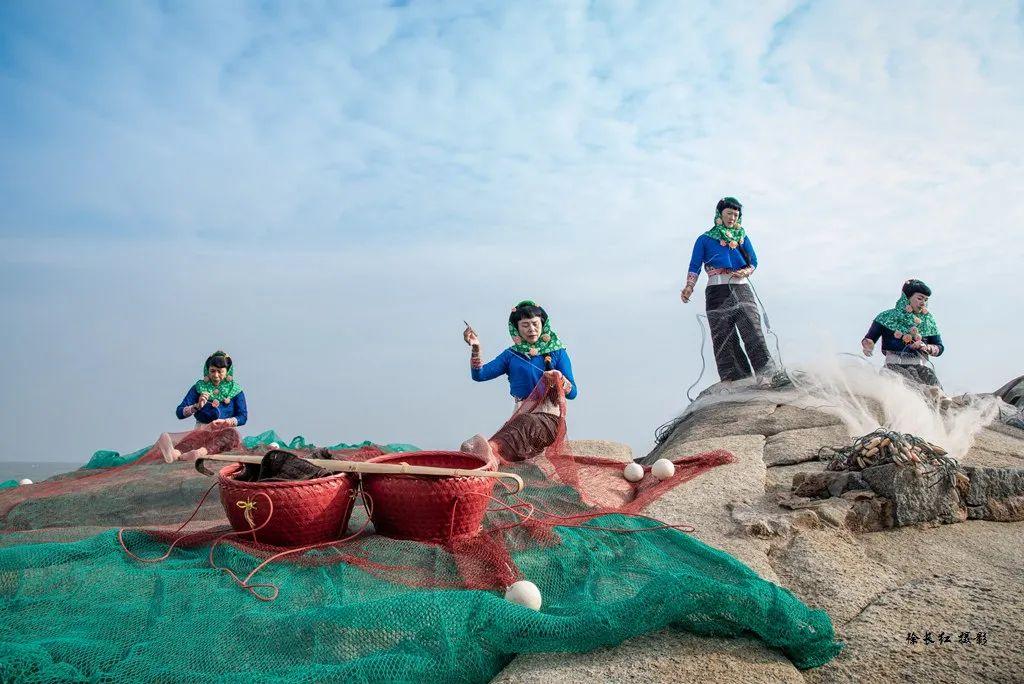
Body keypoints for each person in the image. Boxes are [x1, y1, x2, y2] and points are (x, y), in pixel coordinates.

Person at [460, 300, 577, 462]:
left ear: (543, 324)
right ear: (516, 329)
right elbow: (479, 375)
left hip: (549, 421)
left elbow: (573, 393)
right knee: (514, 429)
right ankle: (486, 456)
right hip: (520, 418)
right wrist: (475, 348)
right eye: (525, 325)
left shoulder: (557, 352)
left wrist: (559, 378)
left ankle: (488, 449)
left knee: (523, 423)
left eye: (535, 324)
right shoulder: (511, 355)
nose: (531, 329)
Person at [680, 196, 774, 384]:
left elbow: (754, 261)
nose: (732, 218)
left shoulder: (742, 237)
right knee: (723, 335)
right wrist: (690, 286)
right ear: (719, 214)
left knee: (752, 330)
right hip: (716, 290)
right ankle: (735, 379)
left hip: (742, 288)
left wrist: (746, 271)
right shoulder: (705, 239)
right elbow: (695, 264)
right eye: (729, 213)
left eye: (736, 214)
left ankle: (766, 375)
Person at [157, 351, 247, 463]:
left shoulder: (236, 390)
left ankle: (200, 453)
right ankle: (174, 454)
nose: (216, 375)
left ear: (228, 371)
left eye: (220, 372)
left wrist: (227, 422)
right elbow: (179, 412)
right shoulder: (199, 387)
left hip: (224, 429)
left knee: (231, 435)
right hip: (202, 429)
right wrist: (196, 406)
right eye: (212, 371)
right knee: (194, 438)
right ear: (207, 370)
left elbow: (243, 417)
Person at [862, 279, 944, 387]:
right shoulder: (886, 317)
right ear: (907, 298)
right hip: (893, 368)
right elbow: (870, 338)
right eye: (919, 298)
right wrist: (868, 343)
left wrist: (927, 347)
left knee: (935, 388)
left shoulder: (928, 321)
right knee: (911, 387)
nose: (923, 303)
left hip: (920, 368)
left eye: (926, 299)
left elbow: (940, 347)